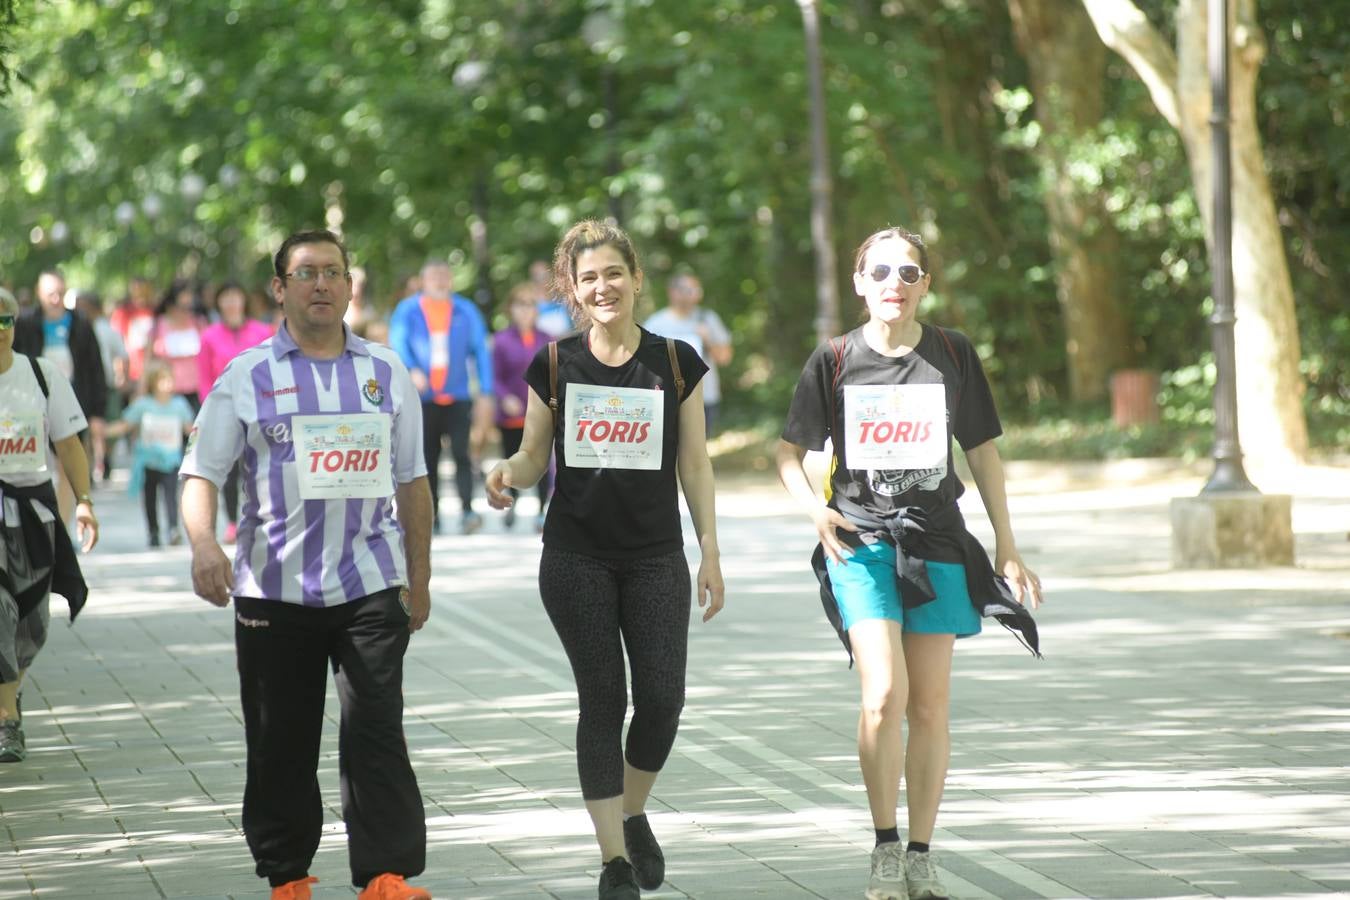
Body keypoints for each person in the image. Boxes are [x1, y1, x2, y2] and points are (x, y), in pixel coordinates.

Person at [776, 226, 1043, 900]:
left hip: (938, 543)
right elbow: (787, 454)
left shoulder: (953, 353)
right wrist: (814, 509)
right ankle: (884, 848)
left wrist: (1007, 541)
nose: (896, 281)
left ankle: (921, 857)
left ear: (926, 284)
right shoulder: (833, 359)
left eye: (910, 271)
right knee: (882, 697)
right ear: (861, 283)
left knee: (929, 706)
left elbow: (981, 451)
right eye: (882, 271)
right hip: (860, 544)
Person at [180, 229, 433, 900]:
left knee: (377, 731)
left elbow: (413, 481)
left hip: (372, 585)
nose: (320, 283)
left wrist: (421, 579)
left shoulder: (386, 373)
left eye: (332, 272)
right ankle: (288, 875)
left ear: (350, 286)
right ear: (280, 288)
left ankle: (385, 873)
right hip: (273, 592)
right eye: (305, 273)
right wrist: (206, 545)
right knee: (280, 740)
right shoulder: (247, 376)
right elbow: (200, 472)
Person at [485, 220, 725, 900]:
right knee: (604, 698)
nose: (603, 287)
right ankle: (614, 861)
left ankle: (634, 807)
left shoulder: (675, 363)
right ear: (572, 290)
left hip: (654, 557)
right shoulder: (555, 363)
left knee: (662, 699)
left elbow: (696, 463)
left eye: (613, 273)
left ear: (636, 277)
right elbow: (534, 456)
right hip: (575, 557)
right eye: (588, 278)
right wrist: (507, 470)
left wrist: (710, 549)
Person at [0, 286, 98, 763]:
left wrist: (83, 501)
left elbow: (70, 444)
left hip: (34, 511)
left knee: (32, 621)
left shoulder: (41, 374)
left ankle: (10, 685)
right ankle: (7, 720)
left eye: (5, 320)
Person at [388, 258, 493, 535]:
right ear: (423, 281)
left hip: (457, 395)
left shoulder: (465, 310)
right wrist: (411, 369)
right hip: (422, 398)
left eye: (444, 275)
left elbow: (480, 350)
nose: (439, 281)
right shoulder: (408, 310)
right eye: (433, 276)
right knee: (427, 457)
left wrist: (486, 390)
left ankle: (468, 511)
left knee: (462, 453)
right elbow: (397, 342)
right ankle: (430, 516)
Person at [13, 271, 107, 523]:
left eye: (60, 293)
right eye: (50, 294)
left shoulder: (80, 323)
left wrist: (98, 412)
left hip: (74, 402)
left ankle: (63, 525)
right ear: (39, 295)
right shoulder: (26, 323)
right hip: (32, 405)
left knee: (69, 466)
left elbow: (96, 368)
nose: (55, 299)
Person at [197, 281, 274, 544]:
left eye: (235, 298)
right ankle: (231, 522)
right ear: (218, 304)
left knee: (259, 466)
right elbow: (205, 378)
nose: (231, 304)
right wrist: (211, 411)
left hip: (260, 409)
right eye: (225, 298)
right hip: (226, 411)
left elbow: (274, 371)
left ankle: (260, 518)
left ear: (244, 301)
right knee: (229, 471)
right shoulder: (209, 336)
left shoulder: (263, 331)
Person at [105, 362, 195, 547]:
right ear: (154, 383)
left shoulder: (179, 405)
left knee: (171, 496)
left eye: (169, 380)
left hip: (171, 460)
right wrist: (104, 432)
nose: (167, 384)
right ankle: (153, 532)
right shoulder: (143, 405)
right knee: (150, 499)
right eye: (163, 380)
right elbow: (126, 424)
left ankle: (173, 528)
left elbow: (190, 429)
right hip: (148, 461)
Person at [491, 283, 552, 531]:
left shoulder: (547, 339)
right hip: (512, 416)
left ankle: (541, 510)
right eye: (520, 305)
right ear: (511, 309)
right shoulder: (501, 340)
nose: (526, 310)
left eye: (530, 305)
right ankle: (511, 503)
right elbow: (493, 377)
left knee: (542, 462)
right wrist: (504, 397)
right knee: (512, 460)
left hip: (540, 416)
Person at [643, 271, 733, 436]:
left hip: (705, 397)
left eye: (696, 289)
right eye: (687, 289)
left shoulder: (708, 319)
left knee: (698, 453)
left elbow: (725, 358)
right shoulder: (655, 324)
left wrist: (707, 340)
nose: (693, 294)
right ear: (672, 292)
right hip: (666, 398)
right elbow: (642, 365)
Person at [76, 290, 129, 481]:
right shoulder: (77, 329)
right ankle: (89, 466)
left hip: (107, 384)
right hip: (85, 385)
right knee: (87, 428)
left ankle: (105, 458)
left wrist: (123, 377)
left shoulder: (106, 329)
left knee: (107, 425)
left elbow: (122, 355)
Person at [148, 280, 206, 413]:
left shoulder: (199, 324)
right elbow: (148, 362)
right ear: (171, 305)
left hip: (197, 393)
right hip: (167, 393)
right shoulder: (158, 326)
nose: (187, 311)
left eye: (190, 306)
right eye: (182, 306)